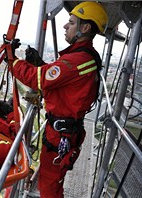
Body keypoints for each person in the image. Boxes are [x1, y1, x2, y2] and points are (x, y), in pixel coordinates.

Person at [7, 2, 108, 197]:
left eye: (71, 22)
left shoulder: (77, 60)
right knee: (50, 181)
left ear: (85, 28)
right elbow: (62, 83)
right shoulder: (82, 58)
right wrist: (40, 64)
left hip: (61, 135)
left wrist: (13, 62)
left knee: (49, 186)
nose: (65, 26)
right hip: (65, 132)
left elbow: (40, 79)